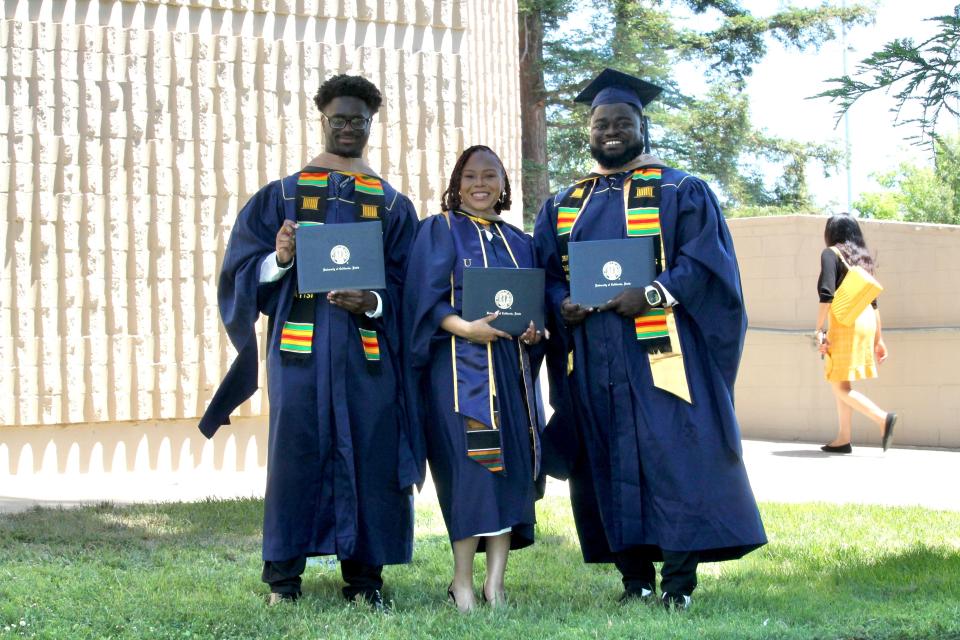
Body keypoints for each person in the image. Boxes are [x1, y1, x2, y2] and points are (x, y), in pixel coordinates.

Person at [532, 69, 766, 611]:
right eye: (600, 123)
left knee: (674, 456)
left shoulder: (680, 190)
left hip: (663, 354)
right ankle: (633, 577)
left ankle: (679, 584)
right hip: (592, 356)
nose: (611, 131)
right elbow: (544, 272)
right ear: (588, 132)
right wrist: (559, 302)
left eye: (622, 122)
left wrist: (654, 294)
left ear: (643, 125)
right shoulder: (566, 203)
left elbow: (707, 265)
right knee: (604, 460)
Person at [198, 74, 421, 610]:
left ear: (372, 124)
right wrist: (278, 259)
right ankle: (283, 581)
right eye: (338, 119)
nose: (348, 128)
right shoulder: (282, 195)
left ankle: (365, 581)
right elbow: (239, 270)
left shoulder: (391, 204)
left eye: (358, 120)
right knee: (295, 457)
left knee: (370, 455)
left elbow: (409, 283)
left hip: (367, 356)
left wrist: (373, 302)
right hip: (299, 353)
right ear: (322, 120)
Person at [403, 145, 544, 612]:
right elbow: (422, 302)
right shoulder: (438, 231)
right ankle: (462, 581)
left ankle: (495, 585)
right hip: (458, 371)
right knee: (471, 472)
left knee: (508, 473)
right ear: (456, 182)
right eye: (470, 176)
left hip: (511, 371)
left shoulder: (520, 241)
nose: (479, 184)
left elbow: (535, 314)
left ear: (504, 183)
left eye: (490, 175)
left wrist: (531, 330)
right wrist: (466, 327)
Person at [815, 214, 897, 454]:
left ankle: (883, 419)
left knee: (838, 385)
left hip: (845, 323)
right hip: (867, 321)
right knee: (842, 380)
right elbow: (873, 304)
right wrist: (879, 339)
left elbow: (826, 293)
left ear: (831, 232)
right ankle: (843, 438)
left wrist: (819, 329)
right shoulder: (862, 260)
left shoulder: (830, 253)